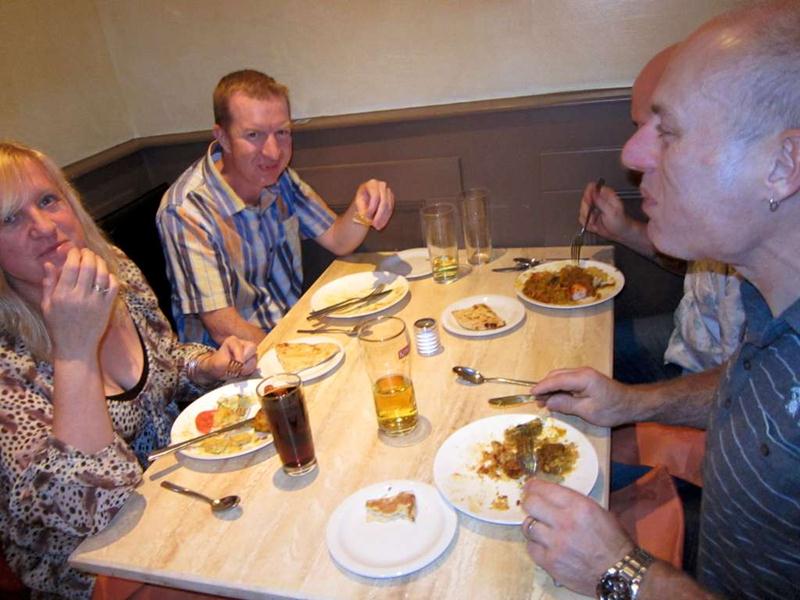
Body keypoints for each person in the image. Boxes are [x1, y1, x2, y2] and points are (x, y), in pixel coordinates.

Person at [521, 2, 800, 598]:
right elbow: (755, 391)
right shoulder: (770, 306)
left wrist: (622, 571)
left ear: (783, 166)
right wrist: (630, 401)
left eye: (667, 131)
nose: (631, 155)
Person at [0, 141, 257, 598]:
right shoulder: (7, 361)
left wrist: (205, 366)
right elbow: (94, 508)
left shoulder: (111, 268)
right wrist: (75, 349)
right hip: (103, 569)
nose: (43, 226)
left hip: (185, 494)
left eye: (47, 200)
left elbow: (166, 359)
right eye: (10, 219)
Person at [157, 70, 396, 346]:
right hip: (233, 361)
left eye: (282, 132)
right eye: (253, 135)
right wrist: (291, 353)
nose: (273, 152)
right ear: (222, 137)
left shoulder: (278, 178)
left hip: (292, 332)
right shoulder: (186, 210)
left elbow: (338, 239)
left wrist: (362, 205)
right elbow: (223, 328)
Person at [579, 45, 745, 384]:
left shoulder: (772, 265)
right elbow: (698, 268)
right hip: (684, 340)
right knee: (579, 348)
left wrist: (632, 405)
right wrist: (623, 230)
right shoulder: (722, 221)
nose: (630, 155)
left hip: (705, 382)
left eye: (664, 129)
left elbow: (739, 391)